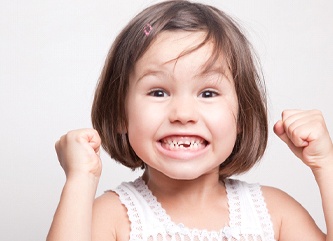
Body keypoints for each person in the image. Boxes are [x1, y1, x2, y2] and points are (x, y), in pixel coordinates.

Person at [47, 1, 333, 240]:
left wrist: (326, 165)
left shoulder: (275, 214)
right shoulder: (113, 218)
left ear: (242, 114)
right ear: (121, 114)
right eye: (158, 92)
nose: (183, 114)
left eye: (208, 93)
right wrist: (80, 179)